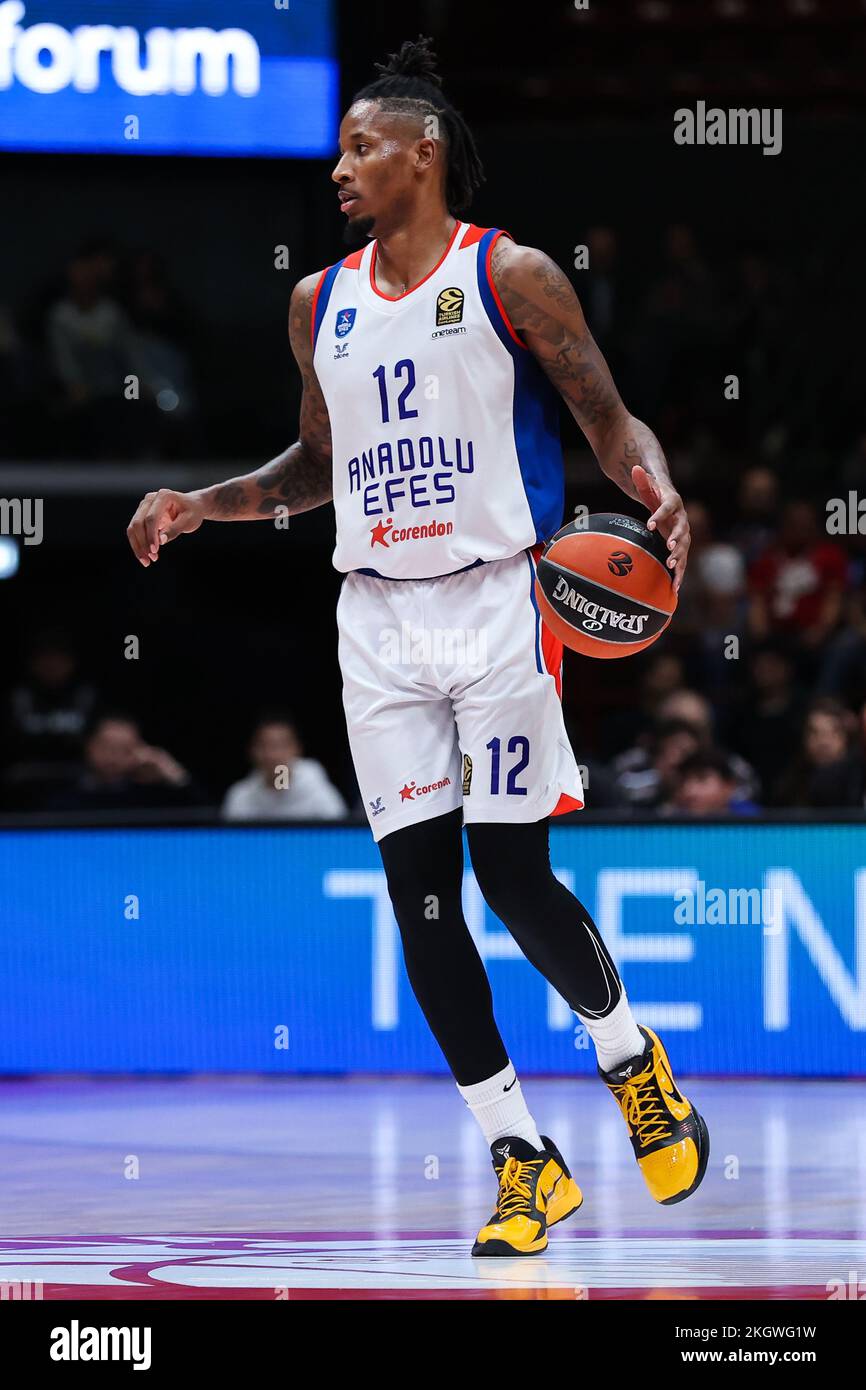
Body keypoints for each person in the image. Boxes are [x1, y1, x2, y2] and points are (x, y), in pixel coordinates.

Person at [126, 37, 706, 1256]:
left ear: (422, 153)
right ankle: (518, 1157)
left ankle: (626, 1056)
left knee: (508, 871)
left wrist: (651, 483)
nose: (340, 168)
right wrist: (199, 503)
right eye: (339, 149)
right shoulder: (316, 302)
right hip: (377, 620)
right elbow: (315, 470)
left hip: (500, 599)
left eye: (361, 146)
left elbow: (605, 415)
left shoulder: (516, 276)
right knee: (421, 898)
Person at [50, 714, 205, 813]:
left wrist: (176, 776)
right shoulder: (62, 798)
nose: (114, 756)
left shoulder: (154, 799)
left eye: (125, 749)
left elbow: (205, 821)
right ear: (89, 745)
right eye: (107, 746)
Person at [222, 716, 347, 822]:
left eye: (280, 746)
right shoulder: (239, 797)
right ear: (252, 751)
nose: (272, 755)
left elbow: (340, 835)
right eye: (264, 745)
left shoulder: (317, 790)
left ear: (297, 749)